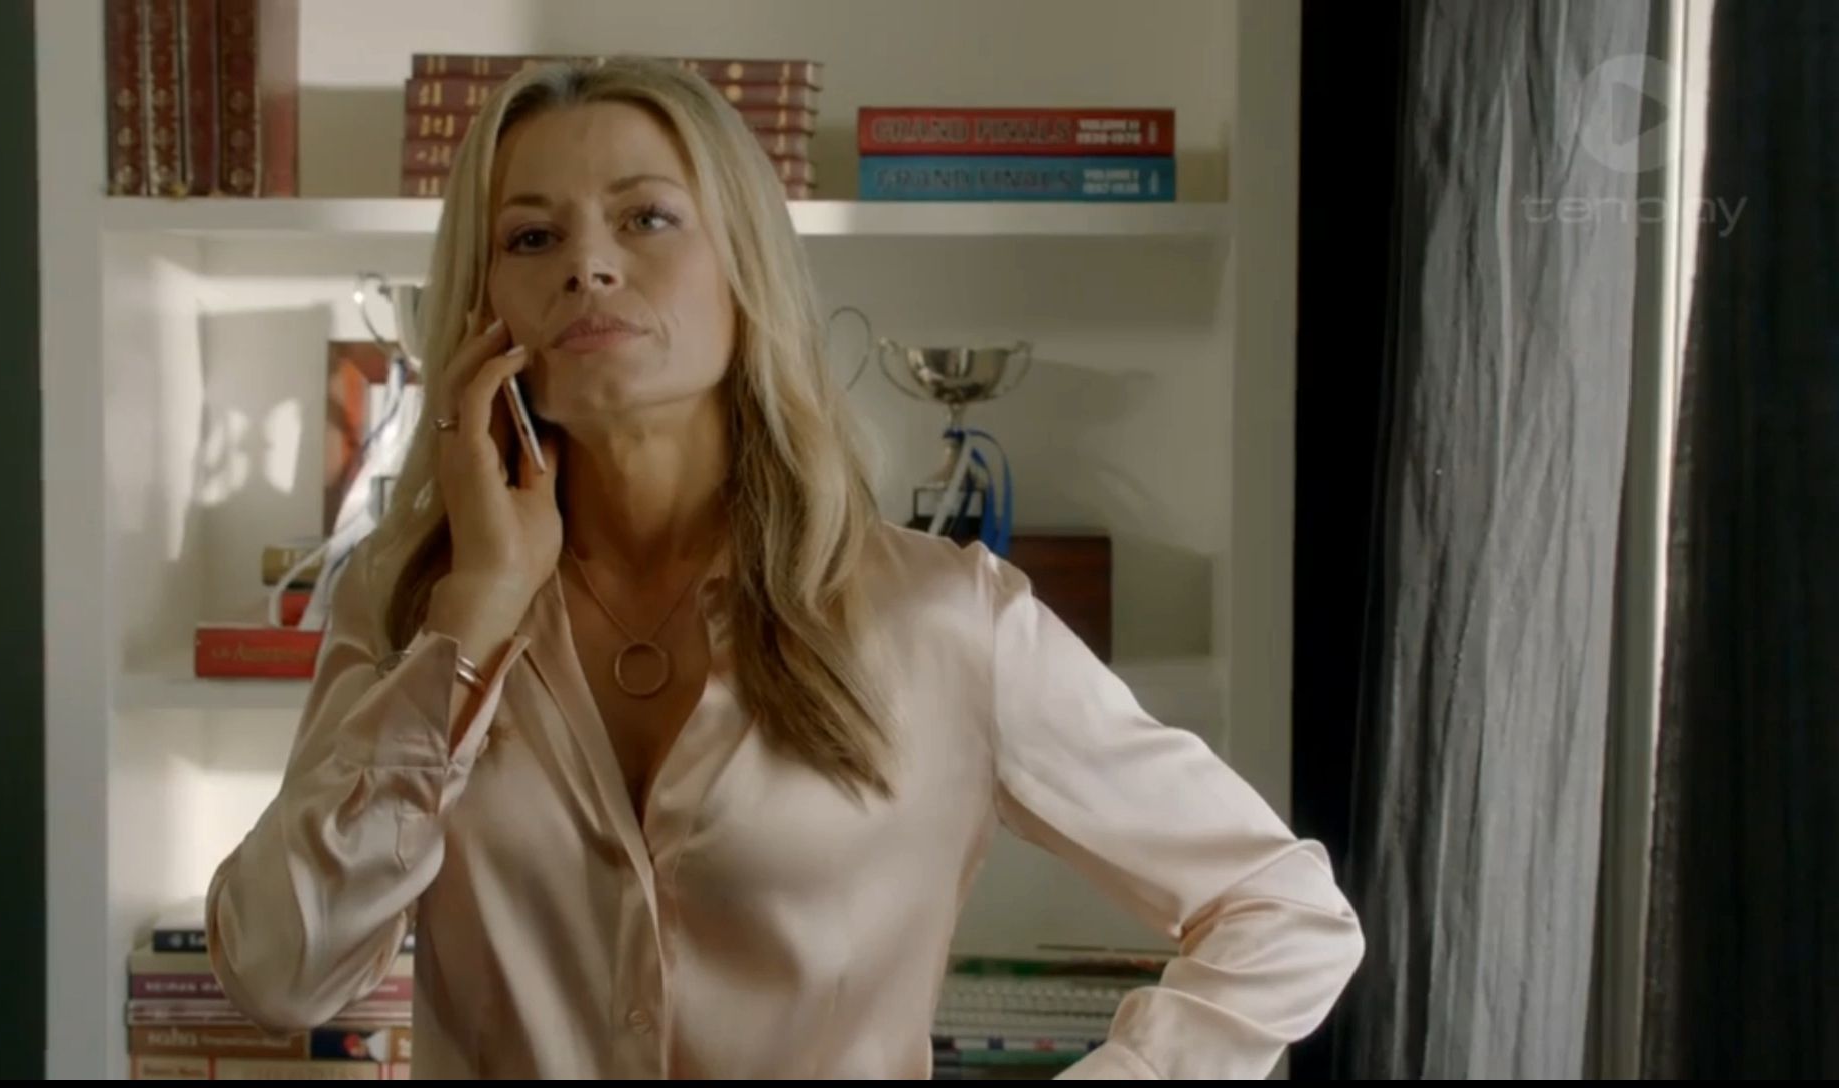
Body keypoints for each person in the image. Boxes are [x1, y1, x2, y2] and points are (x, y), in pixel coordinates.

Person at [204, 56, 1364, 1080]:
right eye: (532, 237)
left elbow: (1284, 911)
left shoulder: (942, 620)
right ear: (481, 304)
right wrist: (474, 621)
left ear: (743, 268)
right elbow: (278, 971)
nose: (589, 266)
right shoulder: (407, 604)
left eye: (645, 218)